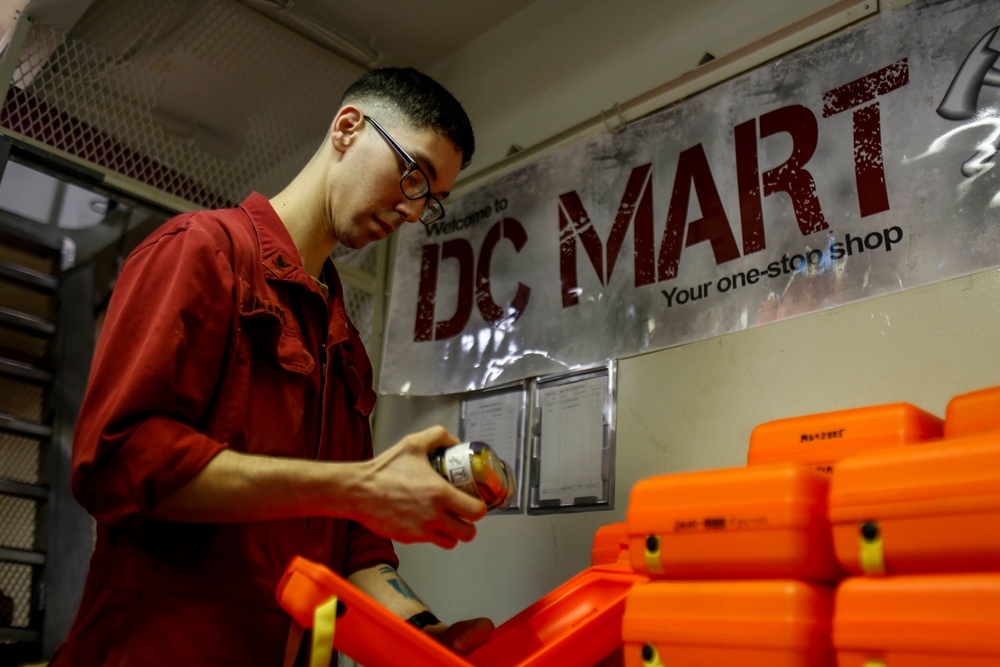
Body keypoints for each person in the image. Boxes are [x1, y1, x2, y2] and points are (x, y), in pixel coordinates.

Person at [51, 67, 494, 665]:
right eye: (412, 175)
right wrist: (356, 487)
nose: (415, 212)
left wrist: (428, 640)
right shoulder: (201, 251)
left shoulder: (343, 344)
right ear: (347, 128)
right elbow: (119, 460)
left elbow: (355, 546)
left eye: (432, 201)